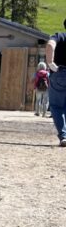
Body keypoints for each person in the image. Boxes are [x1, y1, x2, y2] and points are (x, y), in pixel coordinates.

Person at [45, 18, 66, 146]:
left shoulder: (60, 36)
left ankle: (64, 136)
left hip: (60, 74)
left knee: (57, 106)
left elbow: (50, 45)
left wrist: (51, 64)